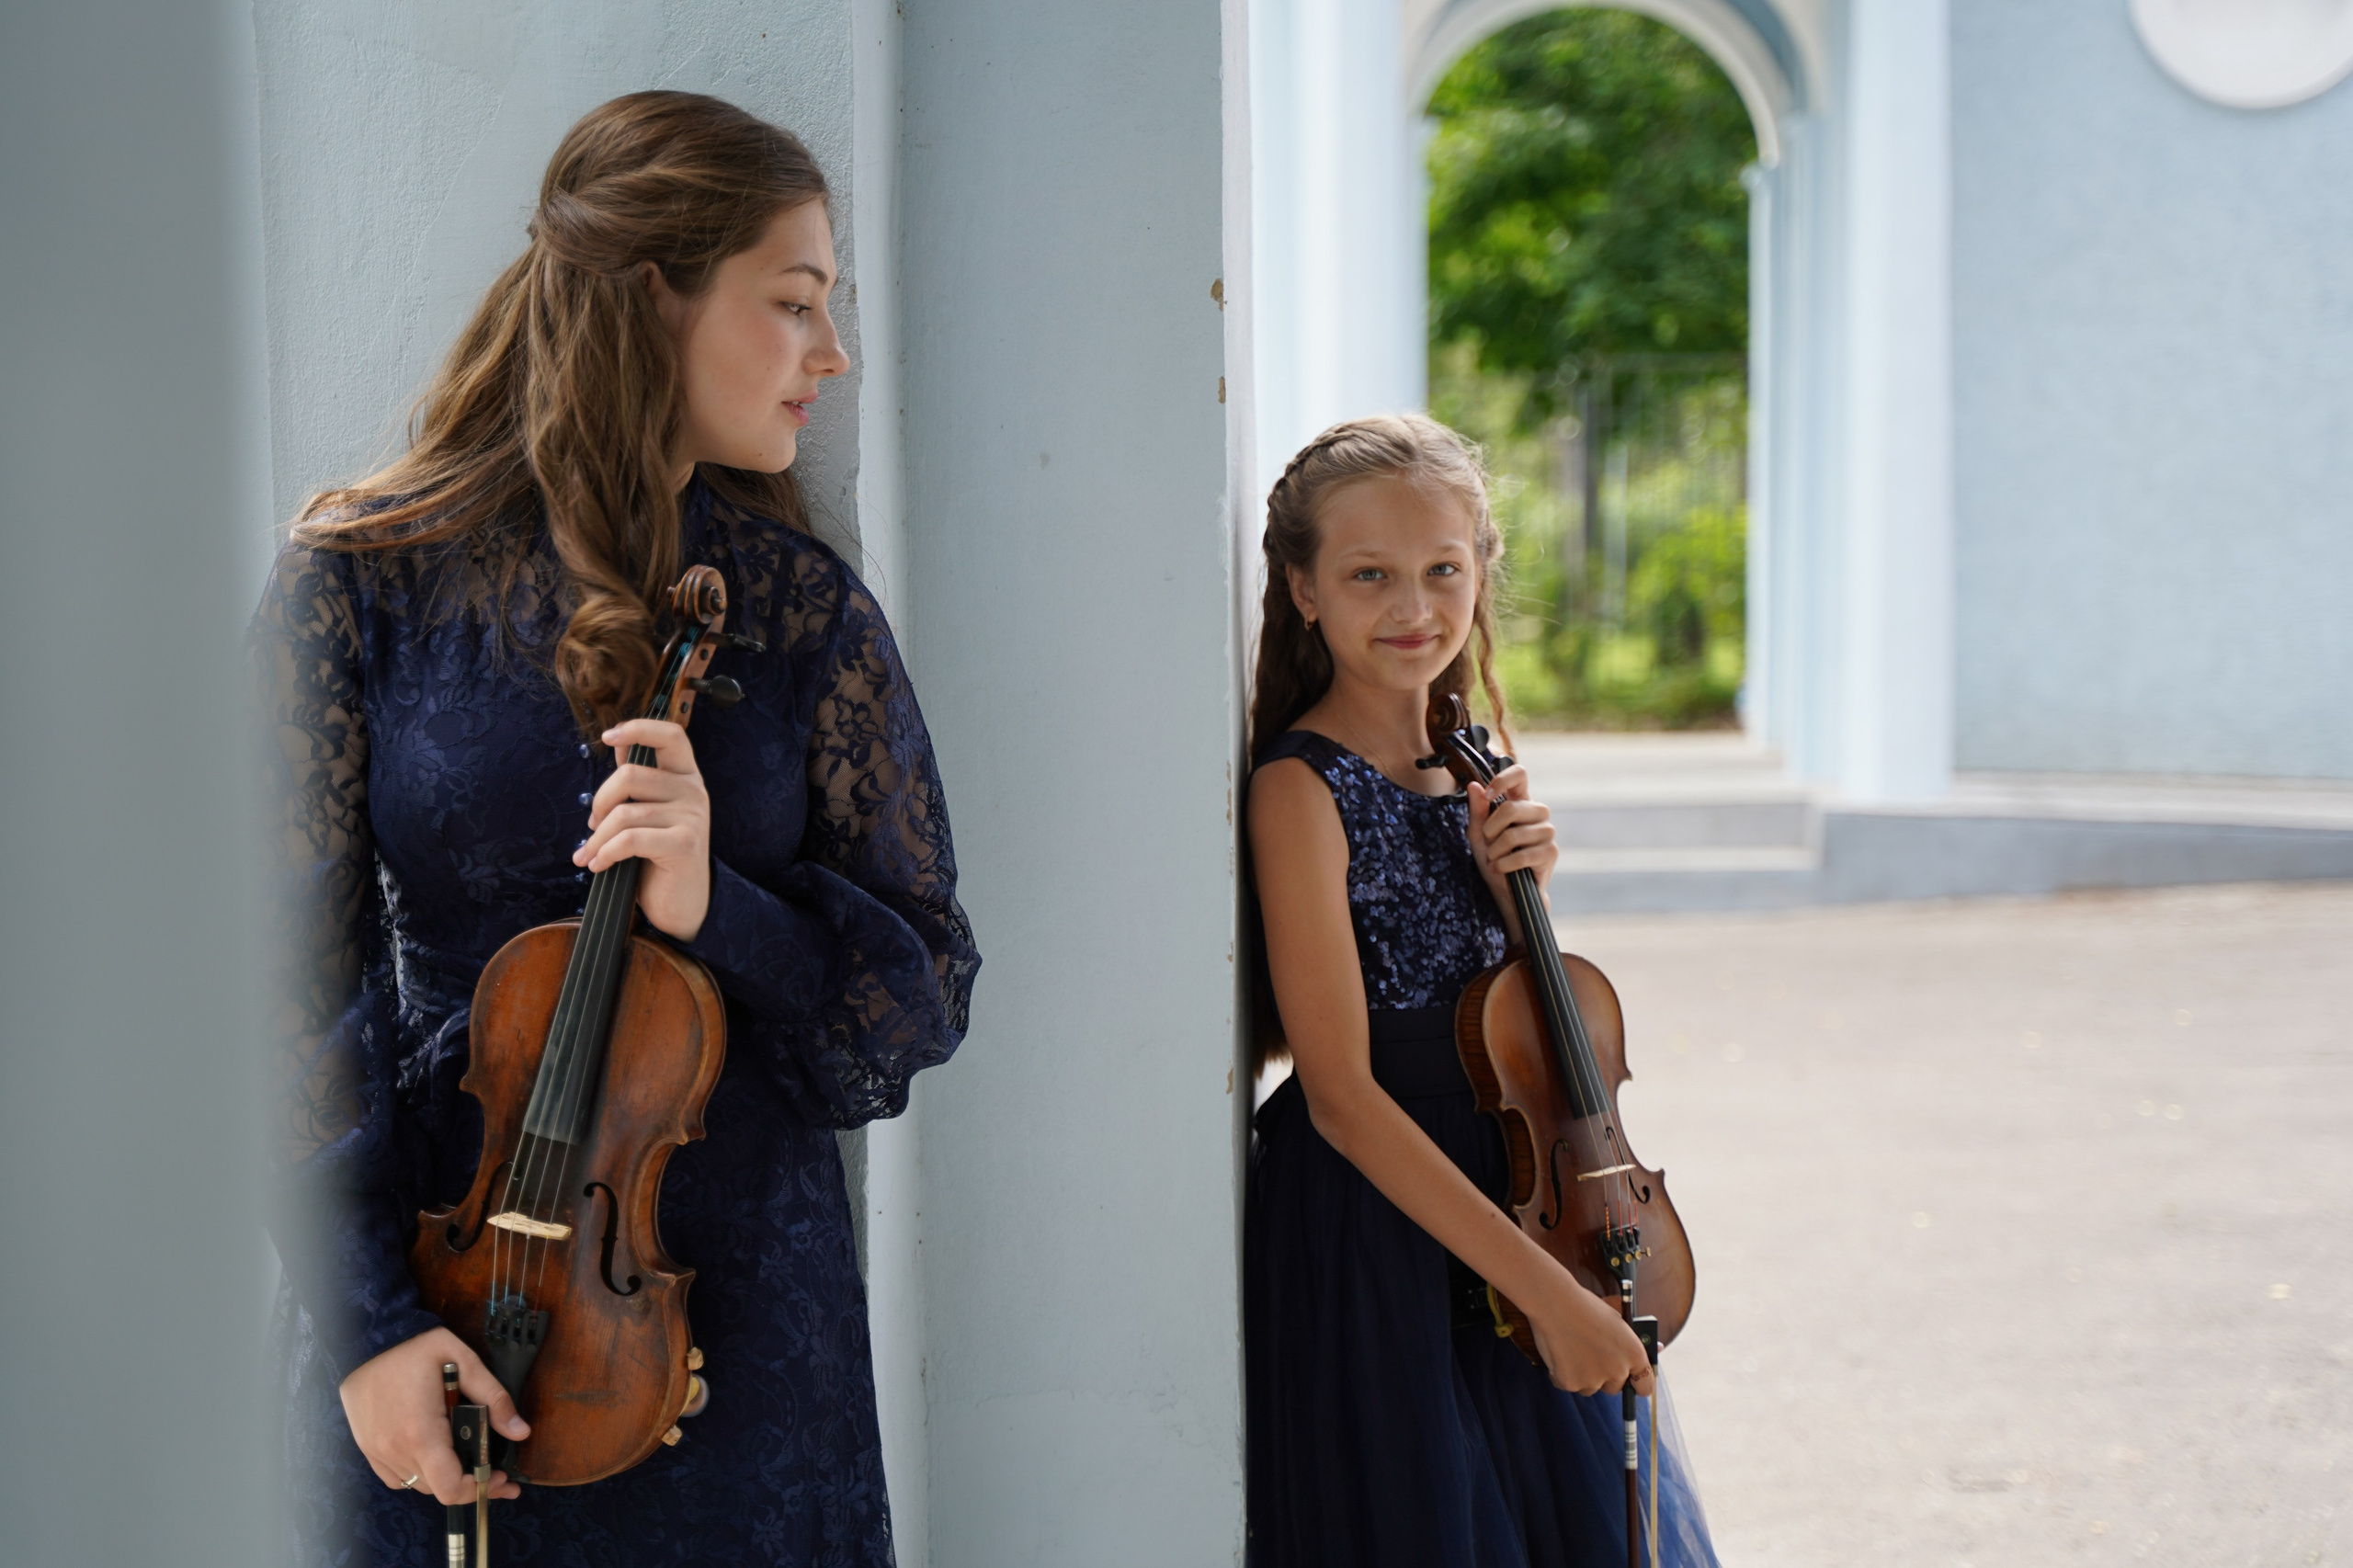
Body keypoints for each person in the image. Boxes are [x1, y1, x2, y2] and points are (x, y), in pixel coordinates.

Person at [255, 91, 978, 1564]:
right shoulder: (362, 582)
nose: (829, 356)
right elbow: (264, 992)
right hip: (441, 1311)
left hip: (742, 1325)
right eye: (793, 304)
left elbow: (915, 1001)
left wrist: (722, 907)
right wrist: (369, 1328)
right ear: (654, 299)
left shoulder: (799, 613)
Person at [1243, 415, 1716, 1567]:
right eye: (1370, 575)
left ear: (1480, 568)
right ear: (1303, 589)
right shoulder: (1298, 791)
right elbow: (1342, 1097)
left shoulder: (1479, 766)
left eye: (1442, 569)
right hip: (1388, 1235)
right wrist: (1550, 1297)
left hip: (1517, 1198)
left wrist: (1522, 894)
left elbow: (1513, 1036)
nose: (1413, 606)